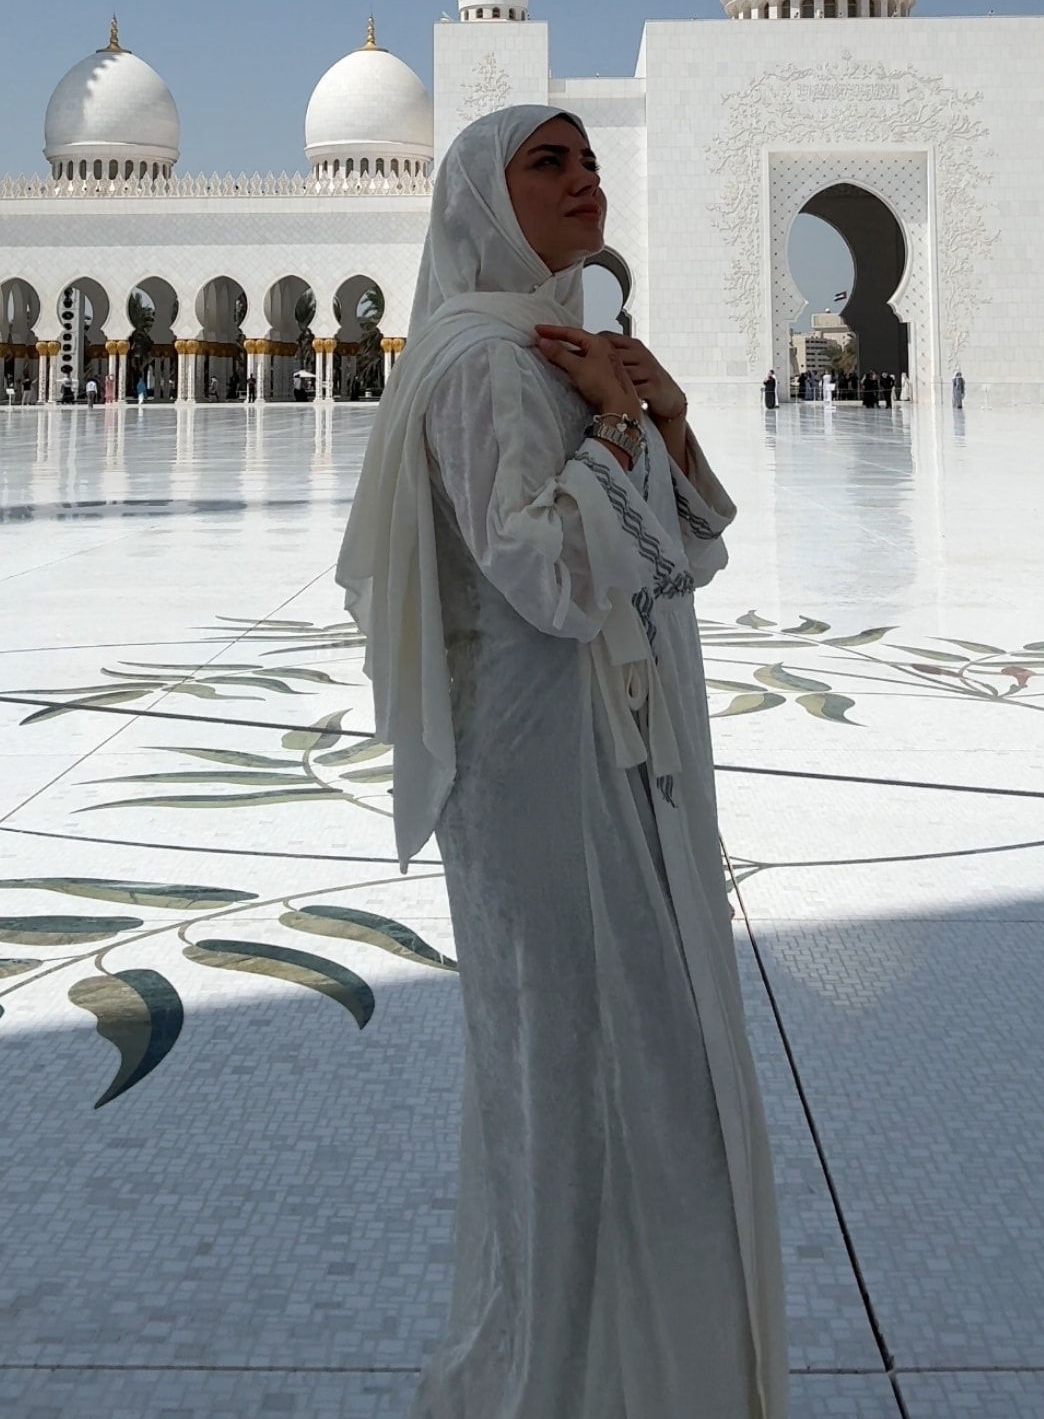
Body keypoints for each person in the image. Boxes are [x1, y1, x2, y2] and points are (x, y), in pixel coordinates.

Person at [337, 106, 787, 1419]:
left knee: (636, 1063)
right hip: (541, 780)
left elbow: (678, 557)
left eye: (588, 159)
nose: (584, 179)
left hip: (606, 760)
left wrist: (662, 422)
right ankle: (568, 1376)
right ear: (488, 200)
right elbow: (549, 578)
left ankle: (640, 1368)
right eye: (550, 162)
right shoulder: (483, 360)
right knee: (580, 1075)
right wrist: (618, 432)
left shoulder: (562, 347)